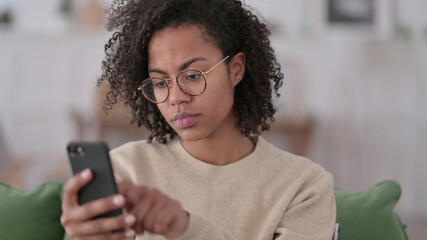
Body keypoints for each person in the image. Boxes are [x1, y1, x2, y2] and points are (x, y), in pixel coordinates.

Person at [60, 0, 336, 239]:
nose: (175, 98)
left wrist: (185, 228)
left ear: (236, 69)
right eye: (160, 82)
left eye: (192, 76)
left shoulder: (304, 186)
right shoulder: (126, 171)